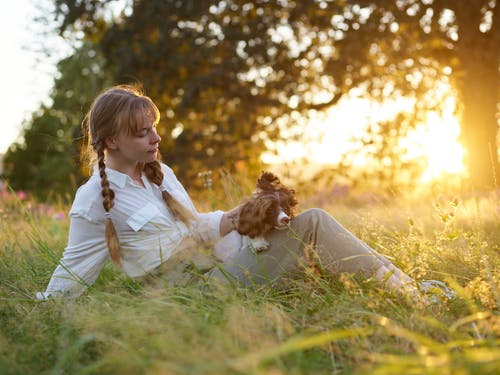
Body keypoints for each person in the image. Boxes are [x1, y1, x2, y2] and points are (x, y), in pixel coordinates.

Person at [36, 85, 437, 303]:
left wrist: (246, 223)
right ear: (110, 140)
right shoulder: (93, 199)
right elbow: (71, 273)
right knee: (314, 223)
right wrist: (38, 307)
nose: (156, 137)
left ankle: (408, 287)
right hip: (197, 295)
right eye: (142, 132)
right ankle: (414, 295)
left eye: (154, 127)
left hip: (223, 268)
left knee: (301, 228)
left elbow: (197, 230)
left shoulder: (161, 173)